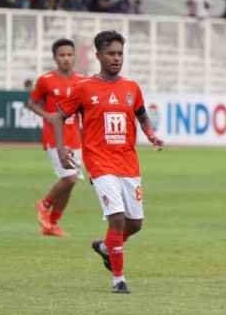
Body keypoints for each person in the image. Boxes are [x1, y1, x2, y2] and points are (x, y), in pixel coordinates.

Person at [52, 30, 165, 294]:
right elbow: (58, 116)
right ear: (98, 55)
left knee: (134, 223)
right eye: (111, 53)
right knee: (116, 218)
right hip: (99, 161)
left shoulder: (131, 88)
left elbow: (142, 116)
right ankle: (119, 279)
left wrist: (150, 134)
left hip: (128, 161)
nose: (116, 58)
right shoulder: (83, 88)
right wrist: (61, 149)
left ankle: (105, 247)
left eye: (120, 53)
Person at [28, 38, 85, 237]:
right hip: (54, 137)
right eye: (62, 55)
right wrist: (47, 116)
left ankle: (52, 224)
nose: (66, 59)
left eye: (70, 55)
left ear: (74, 57)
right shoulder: (46, 80)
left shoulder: (82, 80)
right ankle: (43, 205)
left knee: (71, 182)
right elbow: (32, 103)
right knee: (68, 179)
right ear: (55, 58)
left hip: (74, 138)